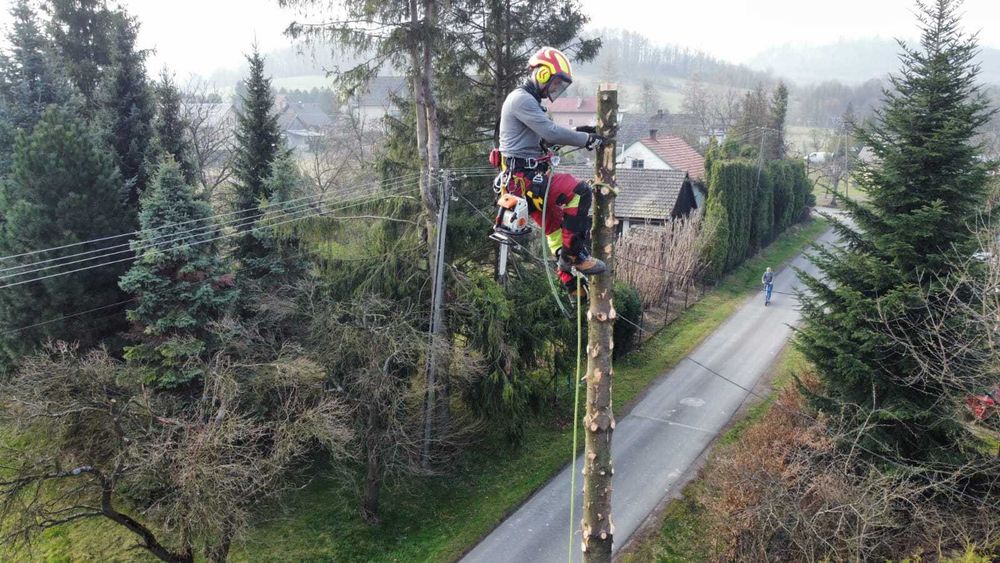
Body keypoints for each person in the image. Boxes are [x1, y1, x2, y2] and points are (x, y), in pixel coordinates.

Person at [496, 46, 607, 296]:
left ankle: (569, 281)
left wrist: (582, 131)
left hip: (523, 182)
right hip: (524, 179)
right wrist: (586, 140)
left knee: (555, 227)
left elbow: (545, 140)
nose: (555, 90)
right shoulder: (521, 99)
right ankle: (575, 256)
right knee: (579, 192)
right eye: (555, 83)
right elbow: (550, 132)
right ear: (543, 74)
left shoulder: (529, 101)